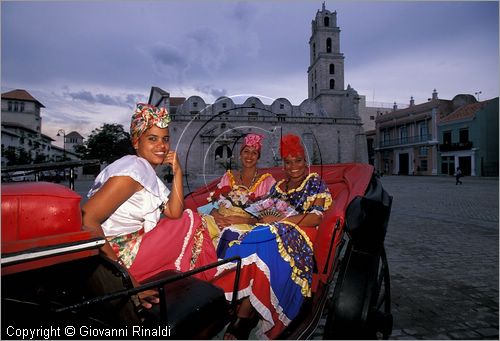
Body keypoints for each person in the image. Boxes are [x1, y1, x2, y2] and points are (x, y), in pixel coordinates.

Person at [82, 103, 218, 308]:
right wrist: (127, 281)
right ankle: (207, 289)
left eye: (165, 139)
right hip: (116, 258)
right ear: (136, 142)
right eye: (152, 139)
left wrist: (178, 172)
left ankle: (198, 289)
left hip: (124, 248)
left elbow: (173, 212)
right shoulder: (133, 170)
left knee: (187, 218)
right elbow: (87, 219)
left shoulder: (142, 170)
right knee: (193, 221)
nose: (161, 146)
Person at [212, 134, 333, 339]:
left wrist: (279, 222)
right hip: (273, 229)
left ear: (306, 162)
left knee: (265, 234)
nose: (293, 166)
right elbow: (259, 212)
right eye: (288, 162)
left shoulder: (314, 182)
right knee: (244, 233)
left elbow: (316, 217)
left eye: (298, 161)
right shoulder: (277, 188)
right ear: (283, 165)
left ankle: (245, 313)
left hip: (301, 233)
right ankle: (241, 302)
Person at [199, 133, 276, 249]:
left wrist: (245, 220)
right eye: (246, 151)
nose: (249, 156)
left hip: (248, 227)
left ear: (258, 157)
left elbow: (270, 215)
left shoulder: (267, 182)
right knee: (199, 225)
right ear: (240, 154)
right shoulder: (228, 177)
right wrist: (215, 214)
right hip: (221, 220)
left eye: (254, 153)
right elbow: (215, 202)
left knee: (231, 233)